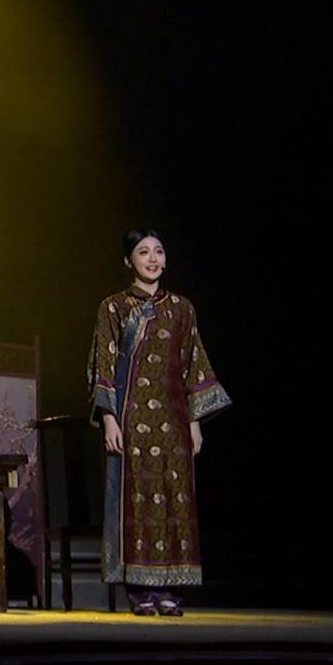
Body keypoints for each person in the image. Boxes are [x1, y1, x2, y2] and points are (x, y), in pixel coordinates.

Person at [87, 228, 231, 616]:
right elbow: (103, 364)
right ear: (128, 261)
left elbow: (192, 364)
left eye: (158, 251)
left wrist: (194, 422)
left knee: (174, 501)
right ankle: (140, 593)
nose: (152, 259)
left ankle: (172, 592)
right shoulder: (114, 307)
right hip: (132, 421)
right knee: (138, 502)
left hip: (174, 421)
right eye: (143, 252)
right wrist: (109, 418)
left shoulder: (182, 308)